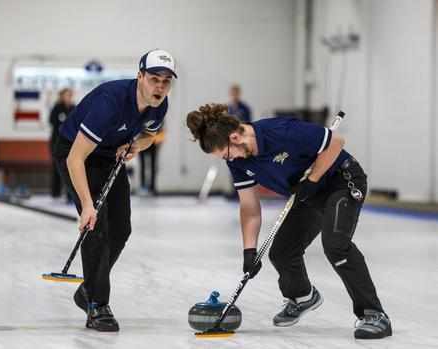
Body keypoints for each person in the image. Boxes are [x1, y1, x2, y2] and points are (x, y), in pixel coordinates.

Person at [186, 103, 392, 339]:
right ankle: (303, 297)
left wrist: (312, 179)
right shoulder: (238, 162)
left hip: (340, 182)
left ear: (235, 137)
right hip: (307, 195)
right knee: (282, 252)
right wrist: (249, 250)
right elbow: (250, 207)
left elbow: (336, 143)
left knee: (336, 246)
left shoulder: (281, 131)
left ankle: (374, 314)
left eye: (226, 154)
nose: (229, 160)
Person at [53, 49, 177, 332]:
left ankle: (87, 289)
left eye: (166, 81)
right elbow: (75, 158)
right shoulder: (111, 102)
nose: (159, 87)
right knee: (96, 225)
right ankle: (97, 304)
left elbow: (148, 136)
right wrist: (87, 205)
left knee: (122, 227)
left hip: (110, 155)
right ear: (140, 76)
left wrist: (135, 147)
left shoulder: (160, 105)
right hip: (75, 154)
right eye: (154, 79)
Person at [49, 88, 74, 202]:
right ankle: (55, 193)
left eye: (70, 95)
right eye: (67, 95)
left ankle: (70, 195)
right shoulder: (57, 108)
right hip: (56, 142)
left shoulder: (73, 108)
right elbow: (52, 121)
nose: (69, 97)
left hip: (70, 142)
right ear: (62, 96)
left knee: (70, 168)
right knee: (57, 167)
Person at [138, 124, 165, 196]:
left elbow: (162, 129)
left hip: (154, 143)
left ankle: (152, 187)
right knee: (142, 165)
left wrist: (160, 141)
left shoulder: (159, 116)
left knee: (153, 166)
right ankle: (143, 186)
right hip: (142, 142)